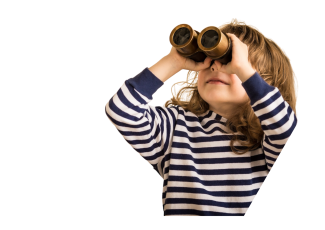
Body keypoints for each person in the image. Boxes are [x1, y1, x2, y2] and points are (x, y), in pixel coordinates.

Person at [104, 19, 298, 216]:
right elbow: (121, 110)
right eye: (210, 60)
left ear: (265, 82)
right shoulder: (176, 128)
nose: (215, 67)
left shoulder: (267, 139)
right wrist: (174, 61)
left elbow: (286, 133)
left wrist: (244, 70)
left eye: (229, 61)